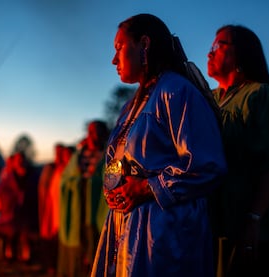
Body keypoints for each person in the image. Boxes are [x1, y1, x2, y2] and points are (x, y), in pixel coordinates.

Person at [91, 13, 227, 277]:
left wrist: (145, 188)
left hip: (162, 231)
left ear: (144, 44)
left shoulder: (176, 91)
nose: (113, 59)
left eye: (119, 47)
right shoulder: (132, 105)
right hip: (127, 224)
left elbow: (207, 165)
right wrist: (114, 186)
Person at [206, 25, 269, 277]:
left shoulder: (260, 95)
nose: (209, 53)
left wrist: (253, 219)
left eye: (217, 46)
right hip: (218, 225)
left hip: (258, 231)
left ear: (241, 54)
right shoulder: (209, 99)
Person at [57, 120, 110, 277]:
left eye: (96, 132)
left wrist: (94, 181)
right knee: (78, 254)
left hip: (98, 214)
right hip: (78, 212)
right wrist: (80, 182)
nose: (92, 135)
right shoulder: (78, 157)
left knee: (97, 253)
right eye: (90, 132)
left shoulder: (108, 154)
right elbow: (65, 180)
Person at [38, 143, 73, 274]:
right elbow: (44, 189)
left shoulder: (66, 171)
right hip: (51, 208)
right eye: (57, 153)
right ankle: (51, 265)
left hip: (61, 210)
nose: (59, 156)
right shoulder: (52, 169)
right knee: (49, 238)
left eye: (61, 153)